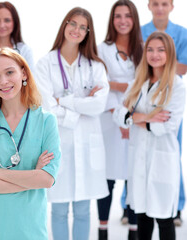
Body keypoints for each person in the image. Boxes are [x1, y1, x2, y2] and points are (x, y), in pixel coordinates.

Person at [0, 47, 61, 240]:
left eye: (10, 72)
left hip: (28, 228)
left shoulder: (46, 121)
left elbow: (46, 180)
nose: (4, 81)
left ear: (23, 73)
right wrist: (31, 177)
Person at [35, 7, 109, 240]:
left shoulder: (95, 65)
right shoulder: (45, 64)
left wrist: (63, 102)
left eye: (83, 27)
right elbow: (46, 107)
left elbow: (98, 106)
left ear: (88, 33)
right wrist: (80, 106)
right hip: (58, 143)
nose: (77, 30)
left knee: (83, 209)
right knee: (57, 209)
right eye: (73, 24)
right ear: (64, 25)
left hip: (87, 145)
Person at [113, 31, 185, 240]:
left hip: (162, 160)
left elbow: (168, 126)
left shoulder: (177, 86)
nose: (155, 54)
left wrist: (134, 118)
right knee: (142, 216)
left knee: (164, 219)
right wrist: (145, 117)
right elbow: (119, 115)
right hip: (139, 160)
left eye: (161, 50)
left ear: (169, 53)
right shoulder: (139, 82)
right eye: (150, 50)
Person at [96, 1, 143, 239]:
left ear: (134, 19)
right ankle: (103, 229)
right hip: (108, 119)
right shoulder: (102, 48)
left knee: (134, 175)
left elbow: (146, 86)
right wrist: (123, 87)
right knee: (108, 176)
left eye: (127, 16)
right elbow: (99, 84)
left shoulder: (143, 48)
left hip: (137, 119)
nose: (122, 21)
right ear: (111, 20)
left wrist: (129, 119)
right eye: (117, 16)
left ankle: (133, 231)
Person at [141, 0, 187, 226]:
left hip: (168, 101)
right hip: (146, 91)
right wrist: (142, 119)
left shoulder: (182, 33)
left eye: (165, 3)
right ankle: (129, 206)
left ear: (172, 6)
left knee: (170, 154)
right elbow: (139, 66)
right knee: (139, 160)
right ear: (149, 5)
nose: (160, 8)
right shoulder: (140, 32)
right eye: (156, 3)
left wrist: (136, 120)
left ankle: (175, 207)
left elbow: (183, 67)